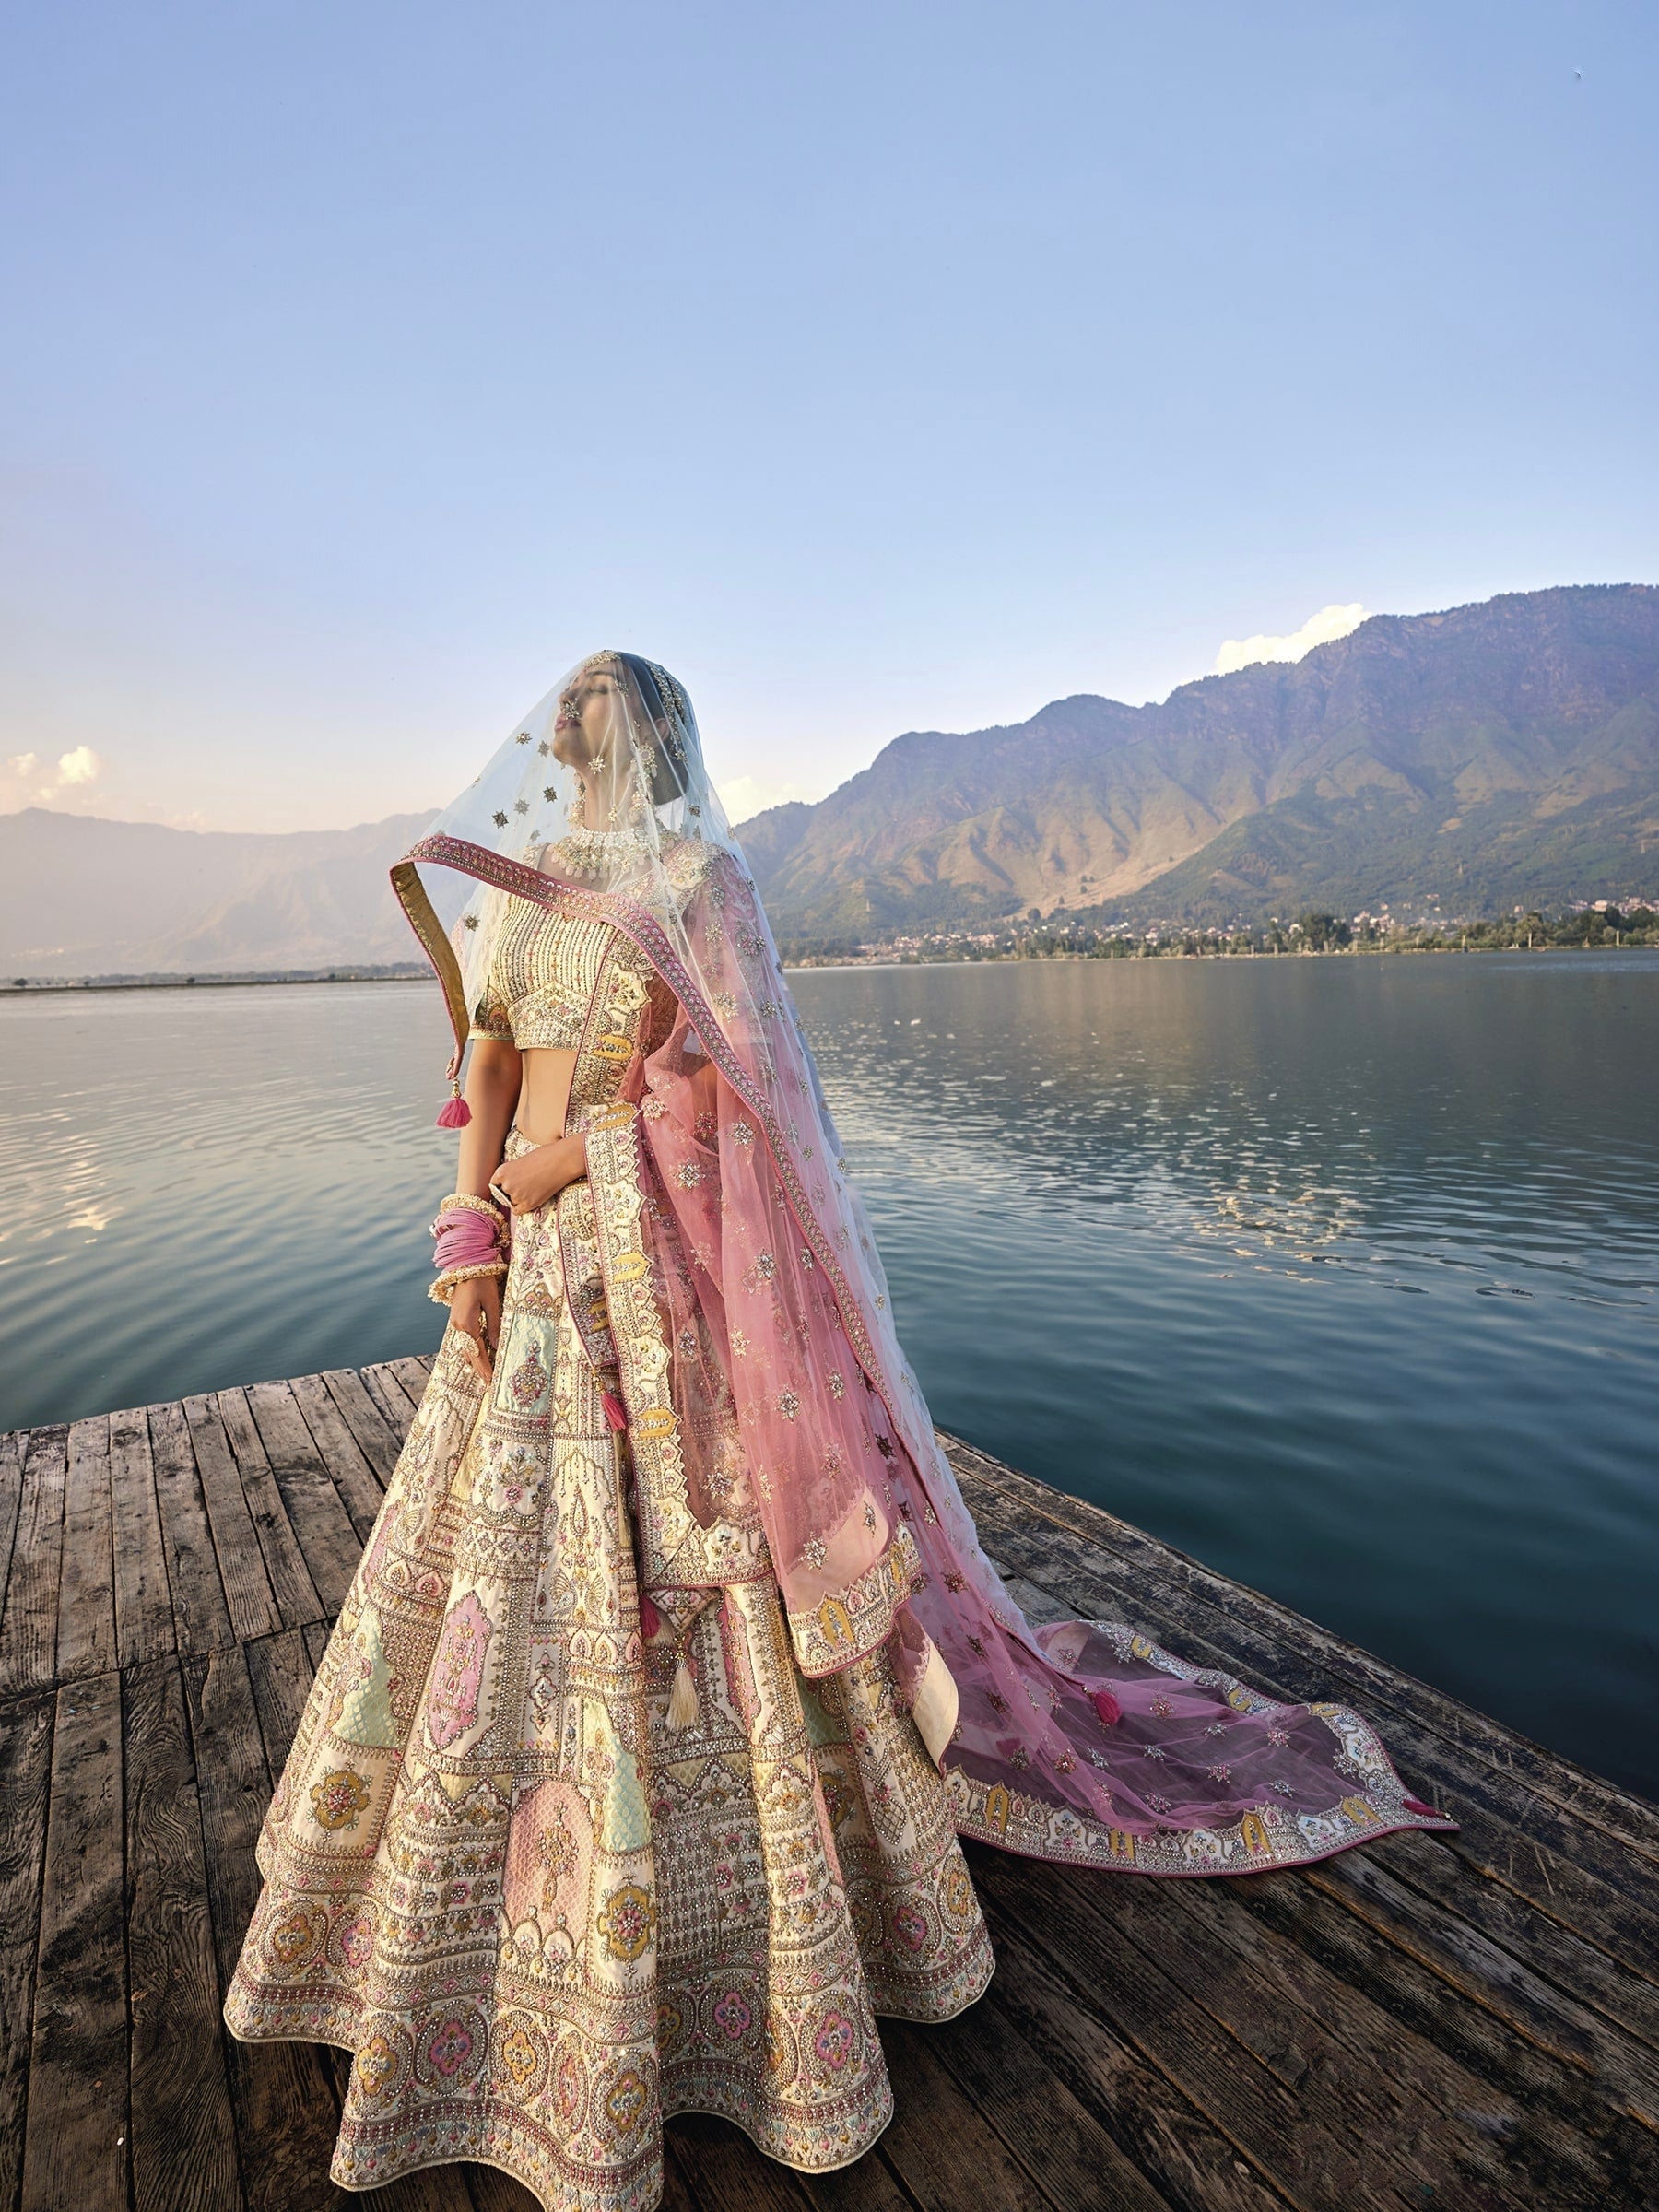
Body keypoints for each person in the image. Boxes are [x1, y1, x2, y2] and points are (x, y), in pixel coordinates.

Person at [224, 651, 1455, 2210]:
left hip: (651, 1279)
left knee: (694, 1576)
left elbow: (729, 1101)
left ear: (647, 737)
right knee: (499, 1569)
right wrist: (468, 1228)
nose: (567, 728)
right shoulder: (528, 892)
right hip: (525, 1282)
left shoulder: (701, 889)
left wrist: (561, 1169)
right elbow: (484, 1050)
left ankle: (752, 1932)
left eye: (594, 712)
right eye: (562, 713)